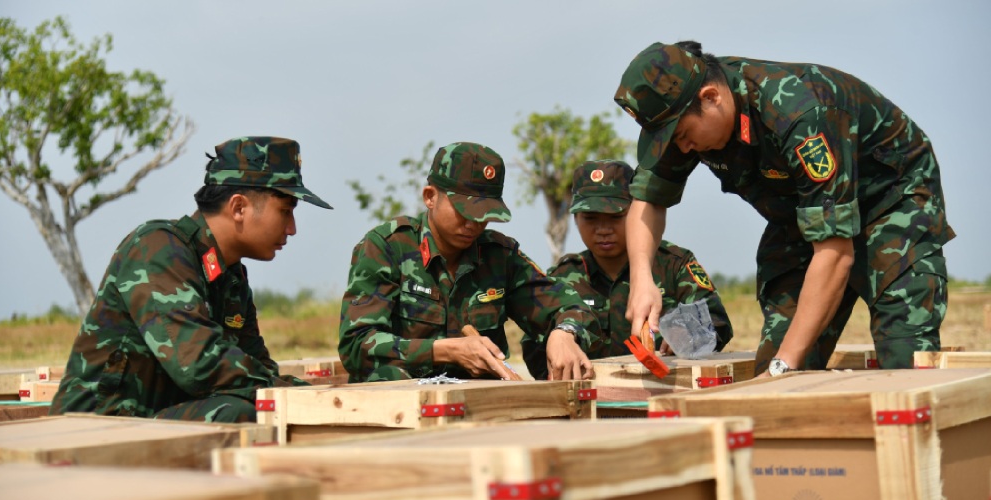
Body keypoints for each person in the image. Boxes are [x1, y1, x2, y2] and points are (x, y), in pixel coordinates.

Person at [613, 41, 954, 376]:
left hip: (889, 199)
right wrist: (643, 278)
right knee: (779, 358)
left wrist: (782, 368)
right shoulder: (683, 114)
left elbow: (836, 252)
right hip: (804, 214)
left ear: (711, 97)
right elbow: (648, 199)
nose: (682, 148)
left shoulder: (798, 114)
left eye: (682, 135)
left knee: (905, 358)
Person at [49, 136, 332, 421]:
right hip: (93, 428)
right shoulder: (157, 248)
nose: (292, 228)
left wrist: (310, 398)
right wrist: (299, 396)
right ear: (238, 208)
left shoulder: (231, 277)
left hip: (148, 425)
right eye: (285, 211)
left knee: (264, 408)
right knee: (243, 413)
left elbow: (256, 368)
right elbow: (197, 365)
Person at [339, 141, 600, 382]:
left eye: (484, 214)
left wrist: (564, 332)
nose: (473, 224)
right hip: (401, 410)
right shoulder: (387, 248)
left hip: (481, 412)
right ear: (430, 196)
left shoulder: (499, 256)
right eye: (464, 210)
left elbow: (572, 306)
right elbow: (356, 345)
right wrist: (445, 351)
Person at [521, 159, 733, 379]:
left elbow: (718, 322)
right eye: (590, 218)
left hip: (665, 394)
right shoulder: (562, 276)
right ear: (575, 219)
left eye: (615, 217)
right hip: (588, 401)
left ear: (635, 215)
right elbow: (533, 345)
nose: (603, 229)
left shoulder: (673, 264)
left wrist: (687, 333)